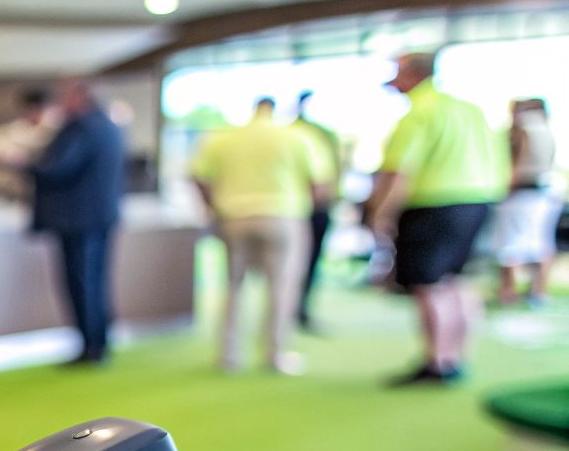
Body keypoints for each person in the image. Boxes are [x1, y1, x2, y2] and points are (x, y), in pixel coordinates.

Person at [365, 51, 508, 386]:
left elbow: (398, 172)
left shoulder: (420, 113)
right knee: (455, 280)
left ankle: (437, 362)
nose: (391, 80)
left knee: (427, 284)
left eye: (396, 72)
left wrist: (379, 213)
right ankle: (454, 357)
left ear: (413, 75)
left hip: (434, 205)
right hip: (476, 203)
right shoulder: (469, 111)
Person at [192, 97, 332, 374]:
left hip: (234, 216)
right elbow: (319, 184)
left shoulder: (223, 138)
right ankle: (275, 354)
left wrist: (212, 206)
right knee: (281, 287)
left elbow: (198, 176)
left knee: (233, 286)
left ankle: (229, 355)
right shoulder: (298, 137)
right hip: (284, 216)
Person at [30, 79, 126, 365]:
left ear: (82, 98)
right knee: (96, 280)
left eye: (67, 97)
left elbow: (57, 168)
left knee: (82, 283)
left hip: (78, 219)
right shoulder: (110, 127)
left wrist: (25, 163)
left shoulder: (81, 128)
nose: (62, 103)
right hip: (101, 215)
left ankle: (91, 348)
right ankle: (99, 342)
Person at [492, 98, 559, 308]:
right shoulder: (545, 129)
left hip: (522, 193)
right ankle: (538, 293)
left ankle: (508, 292)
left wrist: (504, 189)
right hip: (544, 193)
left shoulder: (524, 127)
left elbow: (514, 163)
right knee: (541, 244)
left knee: (509, 246)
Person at [289, 91, 343, 331]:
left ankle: (298, 309)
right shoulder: (297, 135)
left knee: (305, 262)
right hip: (297, 207)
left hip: (310, 207)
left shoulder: (325, 135)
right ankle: (292, 309)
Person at [0, 87, 56, 200]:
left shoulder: (54, 130)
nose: (33, 113)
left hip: (45, 189)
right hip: (15, 190)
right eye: (30, 109)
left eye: (37, 109)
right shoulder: (15, 130)